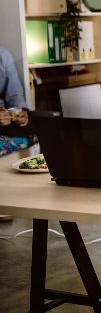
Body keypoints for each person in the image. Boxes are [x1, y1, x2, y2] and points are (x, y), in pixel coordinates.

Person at [0, 44, 31, 222]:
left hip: (5, 118)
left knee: (36, 129)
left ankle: (22, 198)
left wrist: (21, 112)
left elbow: (15, 93)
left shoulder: (3, 54)